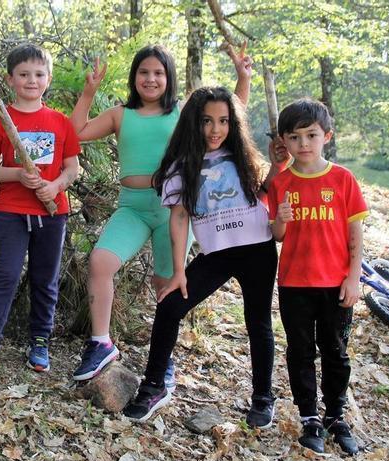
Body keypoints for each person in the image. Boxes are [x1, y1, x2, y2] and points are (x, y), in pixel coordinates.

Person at [70, 45, 253, 388]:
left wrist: (243, 78)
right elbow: (75, 132)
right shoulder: (120, 114)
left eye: (158, 73)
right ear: (134, 77)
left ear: (169, 78)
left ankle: (163, 358)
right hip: (132, 209)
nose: (151, 79)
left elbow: (229, 114)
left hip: (174, 213)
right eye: (144, 72)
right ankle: (101, 343)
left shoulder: (183, 111)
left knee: (166, 284)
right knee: (100, 262)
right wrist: (89, 92)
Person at [121, 86, 280, 423]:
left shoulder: (242, 157)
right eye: (207, 121)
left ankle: (263, 398)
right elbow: (179, 218)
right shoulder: (182, 166)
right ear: (193, 122)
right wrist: (178, 270)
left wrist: (278, 165)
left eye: (223, 121)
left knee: (258, 322)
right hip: (217, 254)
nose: (215, 129)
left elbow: (264, 194)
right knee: (170, 306)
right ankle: (154, 386)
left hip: (257, 250)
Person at [0, 44, 81, 376]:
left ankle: (40, 340)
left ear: (49, 79)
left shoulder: (60, 122)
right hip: (11, 210)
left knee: (45, 278)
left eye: (39, 74)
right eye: (24, 74)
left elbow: (72, 168)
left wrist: (55, 186)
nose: (32, 80)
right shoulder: (0, 121)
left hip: (52, 212)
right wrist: (17, 175)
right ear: (10, 79)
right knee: (6, 275)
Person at [268, 98, 367, 455]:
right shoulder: (282, 182)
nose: (303, 144)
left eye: (311, 135)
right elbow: (278, 235)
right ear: (284, 141)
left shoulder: (342, 179)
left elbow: (355, 232)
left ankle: (335, 415)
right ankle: (309, 416)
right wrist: (281, 220)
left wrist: (353, 277)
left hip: (335, 283)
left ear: (327, 136)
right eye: (294, 137)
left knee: (336, 351)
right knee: (300, 351)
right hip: (294, 282)